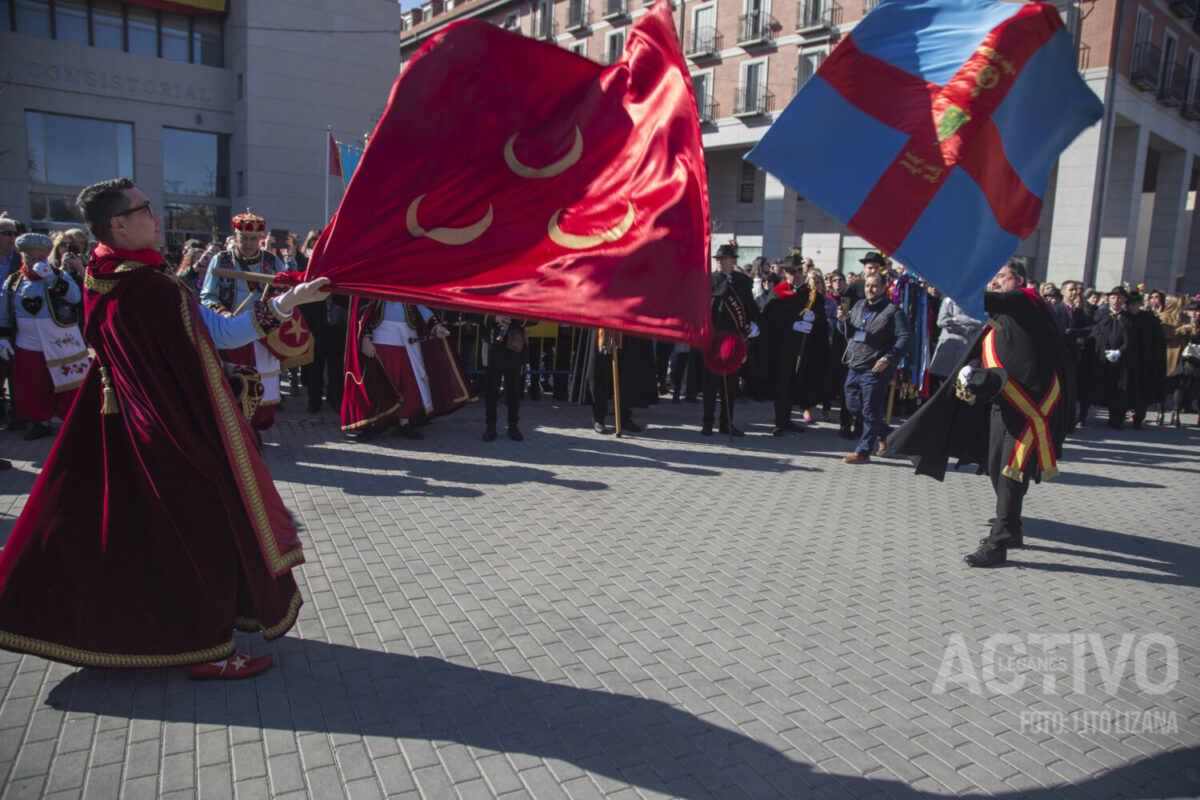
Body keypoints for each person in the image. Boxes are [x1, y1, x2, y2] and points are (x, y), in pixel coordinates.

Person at [0, 177, 330, 678]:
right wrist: (285, 306)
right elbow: (214, 337)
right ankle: (209, 651)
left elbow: (210, 332)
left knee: (142, 536)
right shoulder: (148, 287)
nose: (156, 217)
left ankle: (156, 630)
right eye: (147, 209)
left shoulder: (107, 274)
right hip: (168, 432)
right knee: (202, 529)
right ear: (119, 223)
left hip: (122, 427)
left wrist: (290, 299)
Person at [889, 259, 1074, 566]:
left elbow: (986, 299)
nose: (995, 282)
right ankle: (1011, 527)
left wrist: (947, 277)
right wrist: (972, 372)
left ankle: (1000, 541)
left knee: (1009, 471)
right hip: (1004, 402)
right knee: (997, 466)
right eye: (993, 278)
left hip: (1027, 407)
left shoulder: (1026, 300)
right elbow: (994, 353)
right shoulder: (1005, 315)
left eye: (1001, 277)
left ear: (1020, 280)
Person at [200, 211, 289, 432]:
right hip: (231, 330)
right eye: (243, 238)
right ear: (236, 236)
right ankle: (235, 425)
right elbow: (207, 296)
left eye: (252, 239)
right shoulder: (221, 260)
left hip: (263, 331)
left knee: (263, 380)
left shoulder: (271, 261)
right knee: (235, 381)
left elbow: (284, 291)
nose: (248, 243)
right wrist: (222, 313)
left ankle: (258, 426)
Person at [341, 299, 474, 440]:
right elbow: (364, 312)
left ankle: (404, 423)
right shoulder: (378, 281)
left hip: (409, 341)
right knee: (380, 383)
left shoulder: (409, 283)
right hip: (381, 339)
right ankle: (375, 423)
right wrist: (365, 339)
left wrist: (436, 327)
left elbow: (422, 307)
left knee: (409, 383)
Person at [0, 233, 88, 440]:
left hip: (59, 339)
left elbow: (74, 297)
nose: (34, 262)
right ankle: (40, 421)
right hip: (27, 341)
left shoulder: (58, 275)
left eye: (40, 258)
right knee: (33, 382)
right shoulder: (13, 281)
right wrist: (3, 338)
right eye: (29, 258)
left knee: (67, 379)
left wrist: (52, 278)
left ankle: (71, 421)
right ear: (22, 258)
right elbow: (3, 312)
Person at [837, 272, 911, 463]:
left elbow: (906, 338)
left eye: (875, 286)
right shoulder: (859, 305)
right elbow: (850, 332)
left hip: (876, 366)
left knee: (871, 410)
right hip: (855, 363)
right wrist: (842, 320)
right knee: (852, 405)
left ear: (884, 288)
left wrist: (889, 358)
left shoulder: (893, 311)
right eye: (868, 286)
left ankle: (863, 451)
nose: (870, 289)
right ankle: (886, 433)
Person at [702, 243, 761, 436]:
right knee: (711, 384)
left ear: (732, 260)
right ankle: (707, 422)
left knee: (730, 385)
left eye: (723, 258)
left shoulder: (743, 282)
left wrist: (754, 325)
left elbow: (749, 306)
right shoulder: (708, 280)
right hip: (714, 339)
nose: (719, 262)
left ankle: (726, 422)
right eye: (717, 259)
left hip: (734, 341)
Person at [762, 261, 823, 436]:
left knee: (796, 383)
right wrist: (792, 325)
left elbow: (822, 319)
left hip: (803, 348)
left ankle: (788, 419)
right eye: (791, 271)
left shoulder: (810, 294)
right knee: (782, 383)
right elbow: (769, 319)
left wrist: (815, 317)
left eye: (798, 271)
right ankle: (780, 421)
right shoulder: (778, 292)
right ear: (785, 273)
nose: (795, 275)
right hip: (782, 348)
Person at [1090, 286, 1135, 429]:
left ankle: (1116, 418)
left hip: (1121, 360)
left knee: (1120, 389)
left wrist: (1120, 351)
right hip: (1103, 357)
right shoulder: (1101, 314)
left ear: (1124, 300)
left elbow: (1131, 340)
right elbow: (1096, 333)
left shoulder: (1128, 319)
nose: (1116, 300)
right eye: (1113, 297)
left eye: (1120, 298)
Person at [480, 314, 529, 441]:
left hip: (514, 347)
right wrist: (494, 318)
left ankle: (513, 426)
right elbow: (472, 313)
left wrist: (514, 318)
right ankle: (490, 427)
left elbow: (534, 318)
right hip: (493, 347)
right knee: (491, 389)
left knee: (513, 390)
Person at [1056, 280, 1095, 426]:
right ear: (1063, 291)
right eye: (1071, 290)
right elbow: (1059, 331)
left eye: (1076, 290)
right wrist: (1073, 336)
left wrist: (1072, 333)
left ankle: (1068, 417)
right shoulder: (1056, 310)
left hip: (1075, 356)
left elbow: (1089, 330)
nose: (1074, 293)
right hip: (1060, 355)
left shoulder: (1079, 312)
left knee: (1071, 387)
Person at [929, 296, 984, 395]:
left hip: (966, 350)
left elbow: (981, 321)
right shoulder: (949, 300)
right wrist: (965, 329)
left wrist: (957, 318)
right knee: (942, 389)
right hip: (948, 350)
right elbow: (942, 321)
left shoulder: (978, 301)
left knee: (961, 387)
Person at [1126, 291, 1164, 430]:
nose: (1131, 307)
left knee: (1142, 392)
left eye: (1134, 304)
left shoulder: (1150, 320)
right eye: (1129, 304)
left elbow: (1158, 344)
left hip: (1144, 362)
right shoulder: (1124, 318)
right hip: (1128, 362)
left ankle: (1138, 418)